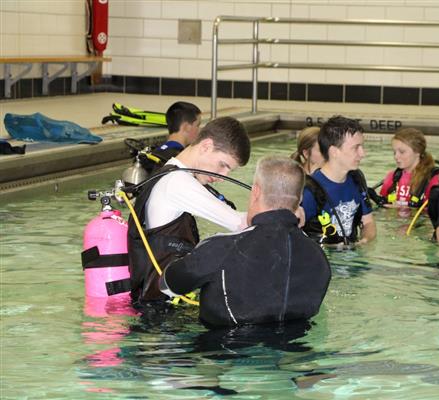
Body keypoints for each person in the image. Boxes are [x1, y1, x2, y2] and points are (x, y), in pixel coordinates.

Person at [158, 156, 331, 328]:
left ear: (255, 191)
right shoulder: (319, 258)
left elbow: (167, 286)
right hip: (298, 350)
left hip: (223, 350)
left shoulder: (220, 247)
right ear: (299, 199)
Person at [127, 116, 251, 306]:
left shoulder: (172, 173)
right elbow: (241, 224)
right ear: (206, 146)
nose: (223, 177)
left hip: (158, 304)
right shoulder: (177, 183)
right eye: (223, 165)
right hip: (160, 313)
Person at [300, 116, 376, 246]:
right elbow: (293, 233)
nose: (363, 153)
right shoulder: (310, 190)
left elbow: (368, 222)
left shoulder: (356, 179)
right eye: (356, 148)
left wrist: (364, 241)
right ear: (334, 152)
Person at [377, 128, 439, 209]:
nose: (396, 156)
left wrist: (405, 209)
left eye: (402, 152)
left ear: (417, 152)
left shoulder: (434, 179)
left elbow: (437, 212)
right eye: (394, 152)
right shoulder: (392, 177)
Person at [140, 101, 202, 171]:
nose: (199, 130)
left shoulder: (156, 152)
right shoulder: (181, 158)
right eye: (197, 125)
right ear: (187, 127)